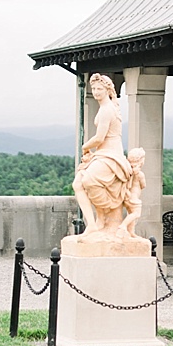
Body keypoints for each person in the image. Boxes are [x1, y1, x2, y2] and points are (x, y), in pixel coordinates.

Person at [73, 73, 134, 233]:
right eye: (93, 88)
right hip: (102, 154)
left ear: (107, 90)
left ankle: (102, 219)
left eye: (99, 88)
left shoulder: (107, 110)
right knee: (78, 184)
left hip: (111, 156)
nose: (96, 91)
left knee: (88, 181)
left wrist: (84, 147)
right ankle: (93, 223)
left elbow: (99, 138)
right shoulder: (105, 108)